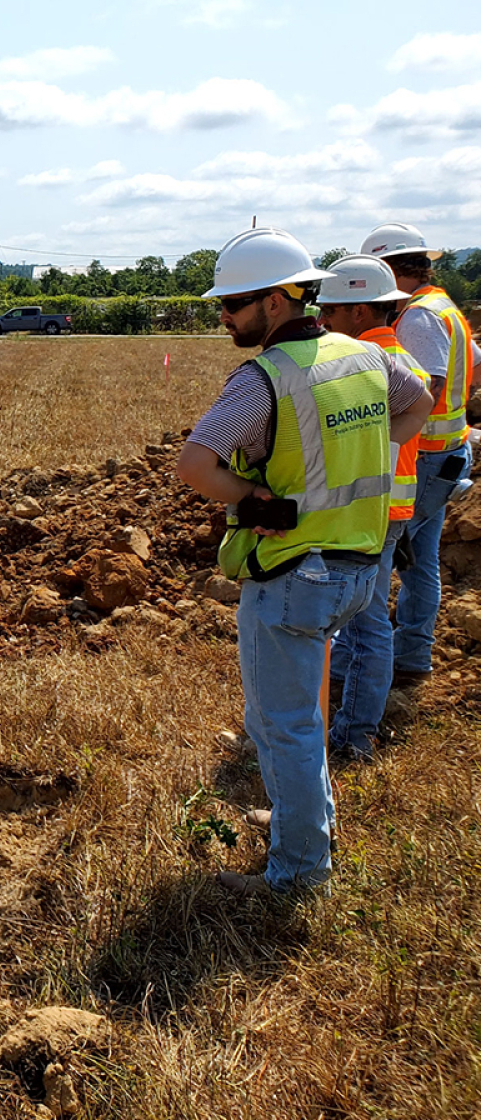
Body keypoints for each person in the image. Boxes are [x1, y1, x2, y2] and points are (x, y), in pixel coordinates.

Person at [175, 228, 430, 896]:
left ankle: (297, 874)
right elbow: (422, 403)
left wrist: (252, 501)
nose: (224, 316)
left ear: (281, 300)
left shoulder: (264, 379)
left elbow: (194, 464)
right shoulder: (364, 355)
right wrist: (375, 453)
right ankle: (303, 818)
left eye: (234, 303)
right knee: (297, 719)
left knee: (280, 726)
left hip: (295, 575)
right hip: (362, 568)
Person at [315, 255, 433, 759]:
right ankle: (345, 696)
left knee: (365, 626)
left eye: (331, 313)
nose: (322, 323)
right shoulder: (407, 362)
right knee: (360, 620)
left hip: (368, 512)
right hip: (392, 509)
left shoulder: (357, 367)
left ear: (360, 312)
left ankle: (356, 736)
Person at [360, 223, 477, 687]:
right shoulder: (447, 308)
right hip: (446, 452)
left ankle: (379, 666)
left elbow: (423, 391)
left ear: (390, 269)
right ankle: (411, 658)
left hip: (425, 457)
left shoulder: (419, 317)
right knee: (421, 562)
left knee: (384, 560)